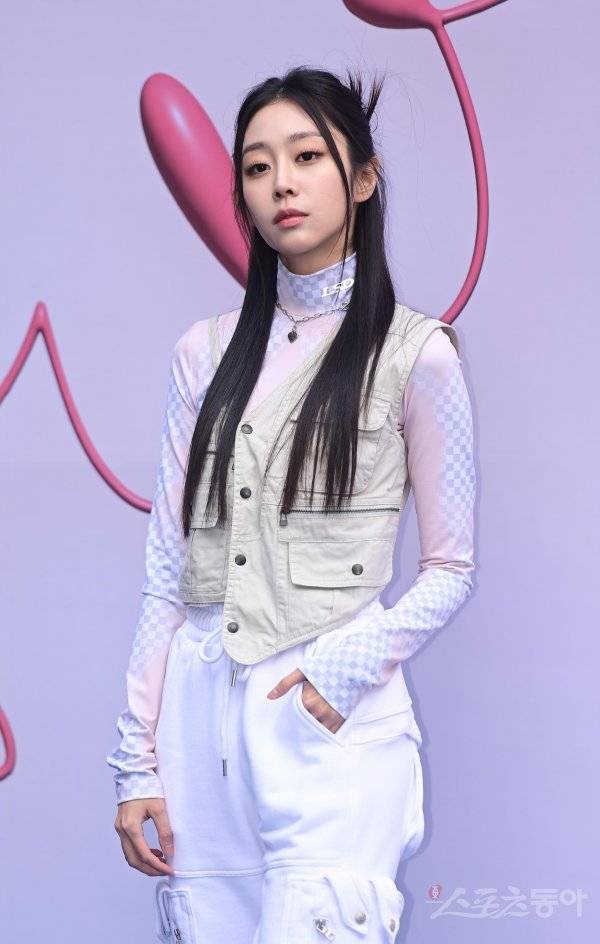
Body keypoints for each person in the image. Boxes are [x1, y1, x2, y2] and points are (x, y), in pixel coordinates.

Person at [107, 66, 476, 943]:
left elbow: (451, 567)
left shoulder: (416, 354)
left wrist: (350, 665)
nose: (281, 183)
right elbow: (168, 566)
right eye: (257, 165)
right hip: (200, 724)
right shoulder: (203, 354)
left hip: (327, 711)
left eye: (307, 156)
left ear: (363, 178)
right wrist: (137, 760)